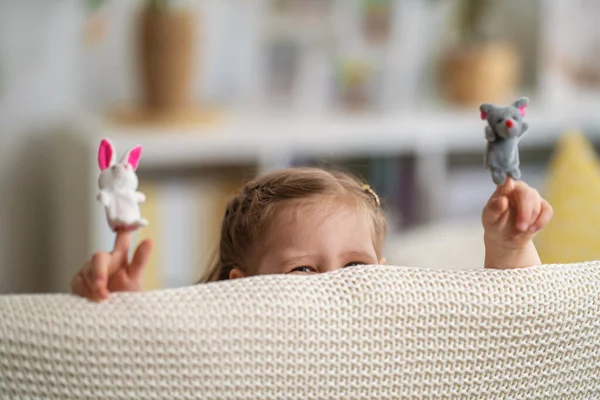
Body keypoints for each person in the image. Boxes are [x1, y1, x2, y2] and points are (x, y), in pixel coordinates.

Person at [71, 167, 553, 301]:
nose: (336, 284)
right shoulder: (229, 346)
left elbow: (508, 325)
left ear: (382, 272)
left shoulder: (397, 330)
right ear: (245, 287)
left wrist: (510, 245)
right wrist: (123, 316)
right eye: (303, 269)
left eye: (355, 265)